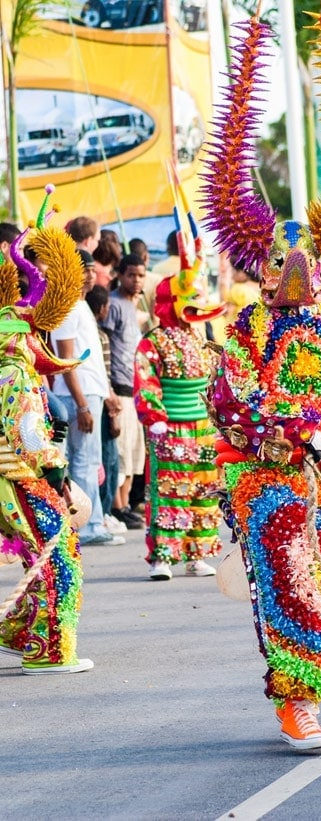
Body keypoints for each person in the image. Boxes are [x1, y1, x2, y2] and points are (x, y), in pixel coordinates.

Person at [200, 7, 321, 749]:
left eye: (304, 260)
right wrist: (283, 434)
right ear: (262, 264)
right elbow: (229, 401)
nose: (294, 272)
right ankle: (296, 699)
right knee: (287, 573)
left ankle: (304, 684)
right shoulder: (245, 330)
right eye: (281, 261)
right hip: (266, 479)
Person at [0, 193, 93, 673]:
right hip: (19, 475)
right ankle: (51, 652)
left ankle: (18, 632)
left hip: (13, 476)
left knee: (43, 555)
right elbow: (29, 432)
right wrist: (55, 468)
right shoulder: (14, 370)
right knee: (60, 558)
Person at [134, 231, 226, 580]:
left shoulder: (199, 338)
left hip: (203, 428)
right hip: (170, 425)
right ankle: (163, 556)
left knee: (204, 490)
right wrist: (154, 416)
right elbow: (145, 379)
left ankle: (197, 553)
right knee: (170, 489)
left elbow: (215, 381)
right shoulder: (153, 341)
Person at [50, 250, 125, 546]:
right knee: (82, 460)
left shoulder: (80, 305)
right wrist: (81, 404)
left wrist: (107, 395)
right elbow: (65, 360)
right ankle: (88, 525)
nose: (91, 275)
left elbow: (90, 359)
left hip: (91, 392)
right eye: (85, 270)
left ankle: (87, 523)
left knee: (86, 459)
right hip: (74, 395)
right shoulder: (67, 305)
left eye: (93, 269)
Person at [101, 253, 146, 529]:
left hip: (135, 389)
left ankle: (126, 504)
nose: (137, 280)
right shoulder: (114, 305)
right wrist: (110, 390)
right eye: (131, 275)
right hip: (119, 388)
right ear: (120, 275)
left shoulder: (134, 306)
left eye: (141, 275)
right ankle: (118, 507)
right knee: (120, 454)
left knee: (134, 454)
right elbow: (105, 342)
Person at [85, 285, 126, 535]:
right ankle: (104, 512)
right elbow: (105, 372)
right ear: (102, 309)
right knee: (107, 460)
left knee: (102, 460)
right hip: (102, 399)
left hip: (99, 397)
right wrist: (112, 406)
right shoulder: (100, 337)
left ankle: (103, 512)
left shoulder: (96, 333)